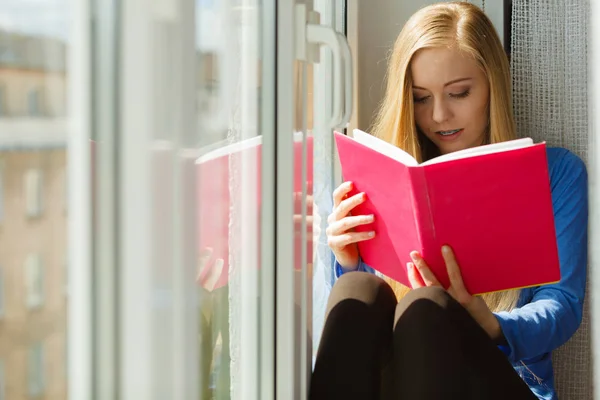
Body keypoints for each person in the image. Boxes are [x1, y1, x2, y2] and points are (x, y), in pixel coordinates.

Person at [309, 2, 588, 400]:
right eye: (421, 98)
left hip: (501, 378)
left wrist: (491, 323)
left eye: (458, 93)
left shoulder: (556, 174)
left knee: (426, 307)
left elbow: (562, 305)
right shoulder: (390, 178)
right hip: (403, 381)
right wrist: (349, 258)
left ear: (493, 83)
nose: (439, 115)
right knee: (357, 289)